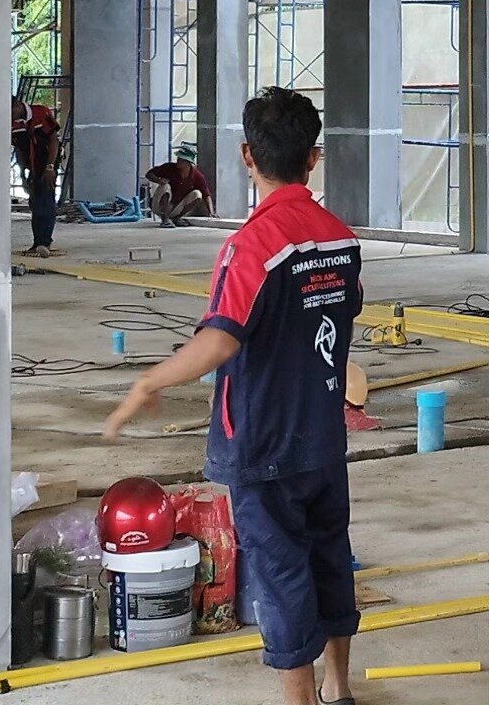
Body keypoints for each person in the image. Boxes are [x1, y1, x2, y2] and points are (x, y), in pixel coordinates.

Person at [106, 87, 362, 705]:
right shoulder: (340, 239)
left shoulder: (252, 246)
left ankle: (300, 700)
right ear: (314, 157)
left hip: (264, 442)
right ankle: (340, 687)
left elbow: (220, 341)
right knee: (330, 557)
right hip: (323, 438)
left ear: (248, 155)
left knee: (281, 575)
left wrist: (149, 380)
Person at [12, 95, 62, 258]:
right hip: (31, 166)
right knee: (35, 202)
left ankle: (44, 242)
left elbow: (53, 140)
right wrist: (22, 174)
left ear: (18, 106)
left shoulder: (40, 113)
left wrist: (50, 167)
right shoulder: (14, 124)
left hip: (46, 162)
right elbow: (19, 150)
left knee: (46, 201)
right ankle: (37, 242)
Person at [144, 143, 215, 226]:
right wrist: (159, 180)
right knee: (166, 186)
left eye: (182, 159)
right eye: (178, 158)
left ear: (188, 162)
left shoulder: (197, 176)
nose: (178, 160)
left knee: (197, 194)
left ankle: (177, 218)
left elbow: (206, 195)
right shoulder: (169, 168)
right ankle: (165, 218)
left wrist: (211, 212)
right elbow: (149, 174)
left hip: (176, 207)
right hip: (160, 206)